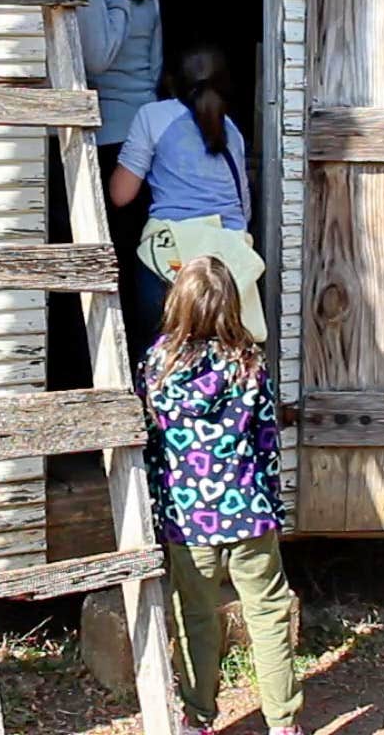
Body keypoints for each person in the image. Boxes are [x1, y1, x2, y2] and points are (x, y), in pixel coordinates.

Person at [134, 256, 302, 735]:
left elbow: (150, 444)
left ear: (177, 303)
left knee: (196, 617)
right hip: (249, 510)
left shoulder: (157, 364)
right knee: (268, 614)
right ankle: (283, 723)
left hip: (188, 517)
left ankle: (197, 718)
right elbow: (267, 441)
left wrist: (157, 503)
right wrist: (272, 501)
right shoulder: (248, 361)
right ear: (231, 304)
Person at [110, 45, 265, 354]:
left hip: (173, 261)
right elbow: (243, 210)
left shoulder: (153, 115)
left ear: (169, 81)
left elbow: (121, 195)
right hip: (228, 268)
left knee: (161, 354)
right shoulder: (231, 130)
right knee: (222, 358)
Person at [64, 0, 163, 299]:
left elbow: (93, 60)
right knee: (144, 248)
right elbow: (156, 63)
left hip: (103, 132)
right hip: (144, 132)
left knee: (104, 249)